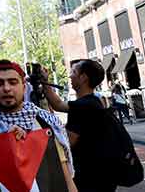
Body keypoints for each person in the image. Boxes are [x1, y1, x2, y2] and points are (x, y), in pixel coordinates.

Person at [0, 60, 76, 191]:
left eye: (13, 82)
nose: (6, 88)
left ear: (24, 87)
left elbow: (65, 177)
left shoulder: (47, 122)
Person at [42, 59, 118, 191]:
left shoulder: (82, 106)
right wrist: (45, 82)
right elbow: (58, 104)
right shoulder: (93, 101)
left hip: (90, 176)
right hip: (103, 173)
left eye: (73, 72)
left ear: (83, 78)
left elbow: (68, 142)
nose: (70, 76)